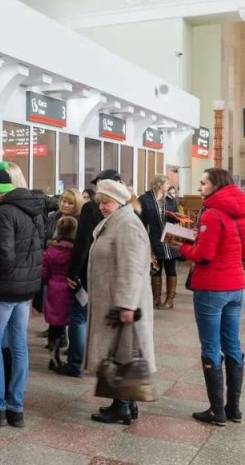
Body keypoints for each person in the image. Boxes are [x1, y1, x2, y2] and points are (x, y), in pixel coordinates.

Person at [169, 168, 245, 426]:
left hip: (212, 288)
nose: (199, 187)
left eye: (203, 182)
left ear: (216, 185)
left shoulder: (212, 213)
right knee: (233, 344)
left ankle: (216, 411)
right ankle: (234, 409)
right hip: (236, 285)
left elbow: (204, 256)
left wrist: (181, 246)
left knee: (210, 346)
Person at [0, 166, 44, 428]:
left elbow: (4, 255)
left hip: (5, 289)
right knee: (18, 344)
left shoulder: (5, 213)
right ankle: (16, 408)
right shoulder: (33, 209)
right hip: (26, 289)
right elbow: (38, 250)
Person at [86, 179, 155, 425]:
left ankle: (122, 406)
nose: (102, 207)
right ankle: (126, 403)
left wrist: (127, 304)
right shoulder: (117, 221)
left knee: (123, 353)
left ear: (120, 200)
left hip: (123, 303)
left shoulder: (127, 224)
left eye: (106, 202)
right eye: (100, 202)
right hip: (114, 299)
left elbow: (132, 267)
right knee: (118, 352)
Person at [58, 169, 121, 378]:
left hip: (89, 272)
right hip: (113, 277)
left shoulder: (91, 208)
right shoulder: (128, 210)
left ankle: (76, 365)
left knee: (79, 317)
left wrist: (73, 272)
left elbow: (83, 243)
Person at [139, 174, 181, 309]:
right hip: (153, 237)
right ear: (159, 185)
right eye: (167, 184)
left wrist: (176, 217)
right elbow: (141, 219)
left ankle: (170, 300)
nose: (169, 186)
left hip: (169, 237)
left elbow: (176, 217)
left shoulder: (170, 199)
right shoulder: (145, 199)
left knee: (170, 268)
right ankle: (156, 298)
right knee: (156, 268)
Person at [42, 216, 78, 371]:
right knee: (73, 323)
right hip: (70, 288)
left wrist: (47, 282)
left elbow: (44, 273)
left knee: (54, 324)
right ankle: (72, 352)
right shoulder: (75, 251)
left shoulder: (50, 251)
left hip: (53, 288)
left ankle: (53, 356)